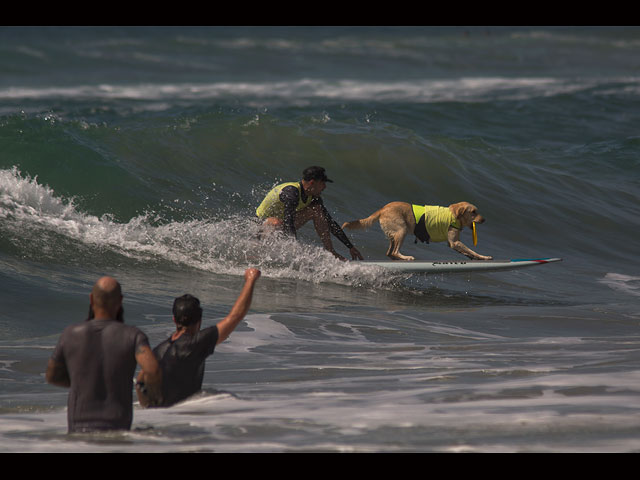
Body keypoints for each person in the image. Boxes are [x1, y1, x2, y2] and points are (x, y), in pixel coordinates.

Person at [46, 276, 162, 433]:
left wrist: (83, 383)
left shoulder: (70, 334)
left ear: (91, 299)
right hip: (117, 430)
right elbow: (152, 370)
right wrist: (152, 397)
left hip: (78, 432)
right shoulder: (132, 336)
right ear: (120, 300)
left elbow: (52, 376)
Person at [136, 268, 261, 408]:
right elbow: (235, 317)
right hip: (179, 417)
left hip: (163, 416)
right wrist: (250, 280)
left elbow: (140, 381)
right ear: (199, 320)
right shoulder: (194, 344)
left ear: (174, 319)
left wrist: (150, 408)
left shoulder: (159, 349)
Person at [256, 166, 364, 261]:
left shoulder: (313, 197)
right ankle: (260, 251)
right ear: (313, 182)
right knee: (276, 222)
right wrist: (295, 248)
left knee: (317, 211)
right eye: (323, 183)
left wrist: (350, 247)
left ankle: (331, 252)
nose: (324, 187)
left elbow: (329, 222)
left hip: (282, 227)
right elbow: (289, 222)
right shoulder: (291, 192)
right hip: (260, 227)